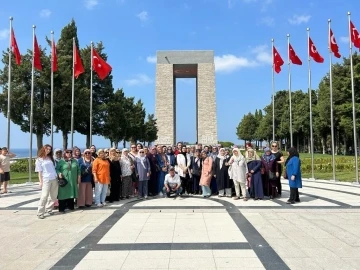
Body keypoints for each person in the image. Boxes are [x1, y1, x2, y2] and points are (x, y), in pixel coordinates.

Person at [35, 145, 58, 219]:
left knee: (53, 196)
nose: (48, 150)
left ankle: (49, 209)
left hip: (54, 178)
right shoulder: (39, 160)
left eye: (50, 149)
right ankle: (40, 212)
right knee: (44, 196)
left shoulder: (51, 158)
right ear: (44, 149)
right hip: (46, 179)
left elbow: (54, 168)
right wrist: (40, 182)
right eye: (47, 149)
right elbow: (39, 172)